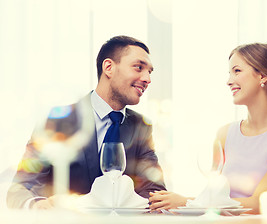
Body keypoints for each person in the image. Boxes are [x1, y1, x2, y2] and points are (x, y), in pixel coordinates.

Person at [7, 35, 166, 209]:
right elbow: (21, 187)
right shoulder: (58, 120)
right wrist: (39, 206)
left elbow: (154, 192)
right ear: (109, 67)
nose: (147, 79)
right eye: (139, 67)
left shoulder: (142, 127)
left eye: (149, 72)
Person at [149, 43, 267, 214]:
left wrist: (184, 202)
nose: (229, 81)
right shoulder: (225, 134)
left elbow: (261, 204)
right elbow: (213, 197)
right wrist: (176, 206)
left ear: (262, 76)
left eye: (237, 71)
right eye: (229, 73)